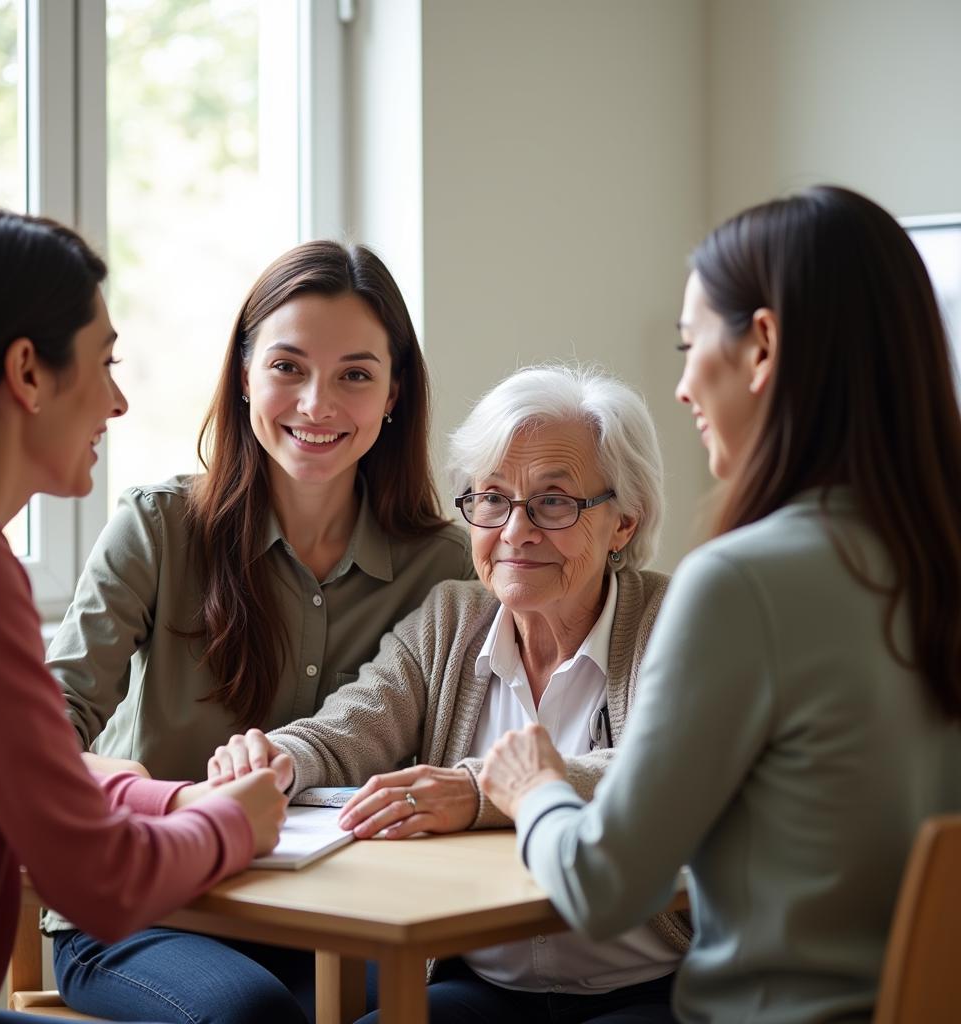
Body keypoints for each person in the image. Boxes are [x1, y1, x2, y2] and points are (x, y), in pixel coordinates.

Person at [479, 186, 961, 1024]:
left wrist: (532, 788)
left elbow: (601, 886)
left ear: (762, 346)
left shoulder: (744, 583)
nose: (681, 388)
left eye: (690, 342)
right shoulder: (936, 563)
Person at [46, 241, 474, 1023]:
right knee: (249, 1013)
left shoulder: (445, 567)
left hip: (336, 914)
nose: (317, 404)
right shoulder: (158, 528)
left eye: (355, 374)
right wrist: (181, 805)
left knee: (440, 1005)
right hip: (144, 910)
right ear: (244, 374)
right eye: (287, 367)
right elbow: (44, 741)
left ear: (393, 395)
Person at [211, 364, 692, 1024]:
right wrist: (279, 758)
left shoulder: (677, 621)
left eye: (554, 502)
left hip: (648, 985)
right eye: (491, 498)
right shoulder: (450, 621)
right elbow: (348, 728)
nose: (516, 533)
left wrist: (482, 792)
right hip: (485, 984)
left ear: (624, 523)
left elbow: (665, 774)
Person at [0, 206, 288, 1024]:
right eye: (105, 362)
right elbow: (98, 879)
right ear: (27, 373)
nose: (119, 401)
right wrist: (233, 823)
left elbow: (27, 768)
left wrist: (164, 801)